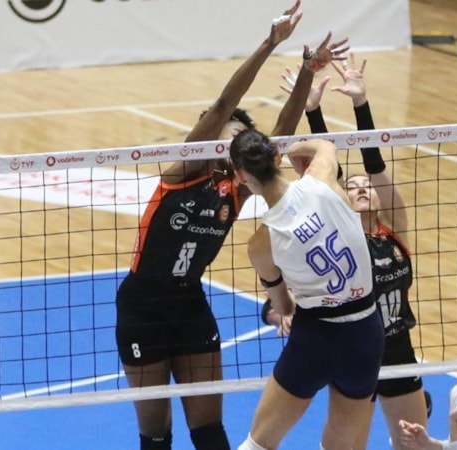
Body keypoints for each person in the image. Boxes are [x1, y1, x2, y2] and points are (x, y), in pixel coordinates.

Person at [114, 3, 342, 449]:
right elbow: (223, 105)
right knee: (156, 434)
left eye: (236, 135)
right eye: (222, 130)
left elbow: (281, 130)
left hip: (189, 305)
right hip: (142, 308)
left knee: (209, 431)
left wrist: (306, 71)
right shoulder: (183, 172)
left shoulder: (237, 188)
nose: (226, 135)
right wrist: (269, 43)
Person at [269, 54, 431, 449]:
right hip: (357, 346)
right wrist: (313, 112)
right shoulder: (339, 234)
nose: (360, 188)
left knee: (414, 443)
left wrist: (361, 102)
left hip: (398, 347)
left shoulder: (394, 231)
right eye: (352, 186)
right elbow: (328, 175)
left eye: (366, 186)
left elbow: (375, 166)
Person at [230, 133, 384, 450]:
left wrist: (291, 300)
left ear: (241, 176)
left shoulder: (260, 245)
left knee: (258, 444)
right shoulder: (322, 177)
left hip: (315, 339)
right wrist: (292, 151)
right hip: (365, 334)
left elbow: (285, 307)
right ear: (275, 157)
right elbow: (325, 145)